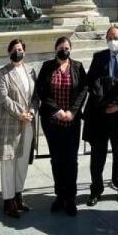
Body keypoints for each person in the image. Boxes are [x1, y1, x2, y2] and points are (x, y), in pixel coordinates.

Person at [84, 26, 118, 207]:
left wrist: (117, 106)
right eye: (109, 38)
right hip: (100, 115)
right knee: (97, 154)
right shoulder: (98, 57)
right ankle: (96, 189)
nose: (112, 41)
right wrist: (102, 103)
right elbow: (91, 81)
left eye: (115, 37)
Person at [36, 36, 88, 216]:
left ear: (70, 49)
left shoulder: (78, 67)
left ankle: (70, 197)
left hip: (72, 122)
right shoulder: (47, 67)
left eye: (66, 48)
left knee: (71, 159)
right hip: (52, 121)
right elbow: (42, 90)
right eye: (60, 47)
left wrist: (72, 112)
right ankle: (60, 195)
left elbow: (83, 90)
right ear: (55, 49)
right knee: (57, 159)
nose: (64, 50)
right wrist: (57, 110)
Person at [0, 38, 39, 218]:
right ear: (9, 52)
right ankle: (8, 200)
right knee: (8, 162)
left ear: (24, 52)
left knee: (22, 161)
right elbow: (3, 98)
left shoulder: (31, 71)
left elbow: (35, 96)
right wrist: (21, 113)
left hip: (28, 123)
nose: (17, 52)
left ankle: (19, 194)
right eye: (14, 50)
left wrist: (31, 112)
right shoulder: (2, 73)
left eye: (20, 49)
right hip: (10, 124)